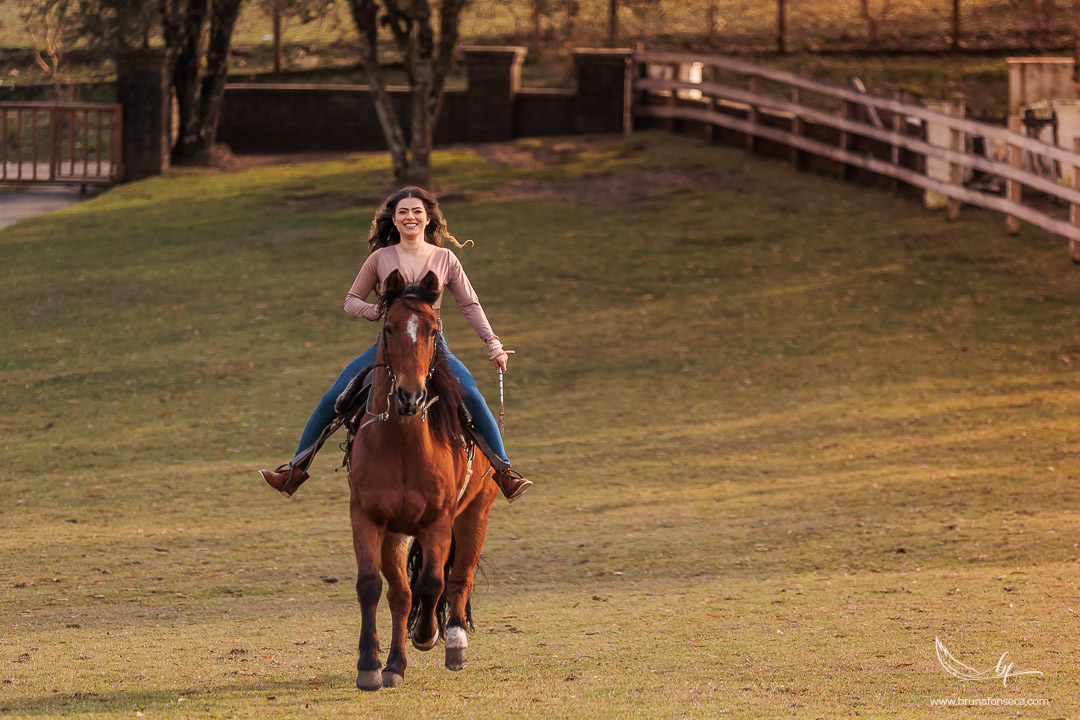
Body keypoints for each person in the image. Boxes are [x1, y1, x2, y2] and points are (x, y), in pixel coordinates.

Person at [259, 187, 532, 503]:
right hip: (387, 347)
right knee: (333, 397)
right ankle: (293, 472)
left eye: (417, 211)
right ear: (394, 218)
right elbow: (351, 300)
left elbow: (469, 304)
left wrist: (493, 344)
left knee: (470, 394)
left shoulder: (445, 258)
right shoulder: (380, 259)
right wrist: (375, 311)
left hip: (433, 347)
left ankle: (505, 473)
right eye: (403, 212)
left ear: (428, 218)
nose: (410, 217)